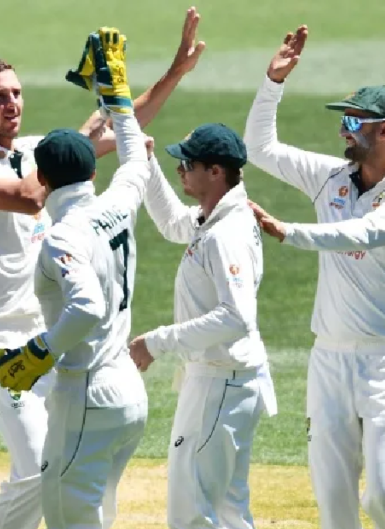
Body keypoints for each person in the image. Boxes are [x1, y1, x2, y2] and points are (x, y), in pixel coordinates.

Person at [0, 8, 206, 529]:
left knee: (63, 464)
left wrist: (170, 74)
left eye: (17, 93)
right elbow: (26, 198)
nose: (13, 104)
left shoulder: (34, 151)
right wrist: (71, 150)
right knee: (35, 469)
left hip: (52, 333)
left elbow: (125, 134)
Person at [243, 25, 385, 529]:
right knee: (333, 499)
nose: (343, 131)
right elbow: (260, 148)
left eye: (354, 122)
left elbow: (367, 232)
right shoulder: (332, 177)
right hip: (329, 357)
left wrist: (289, 232)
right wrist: (273, 82)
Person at [0, 27, 152, 529]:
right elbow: (135, 157)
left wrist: (39, 352)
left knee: (68, 518)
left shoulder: (62, 237)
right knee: (96, 514)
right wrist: (118, 98)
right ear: (92, 173)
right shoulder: (119, 203)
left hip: (87, 395)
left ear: (41, 179)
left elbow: (87, 307)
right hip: (129, 394)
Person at [128, 123, 278, 529]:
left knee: (192, 509)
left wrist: (157, 342)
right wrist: (147, 163)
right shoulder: (214, 217)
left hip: (220, 383)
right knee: (228, 509)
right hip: (226, 380)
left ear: (215, 172)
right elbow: (171, 222)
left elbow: (236, 316)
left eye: (188, 164)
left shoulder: (225, 234)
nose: (181, 170)